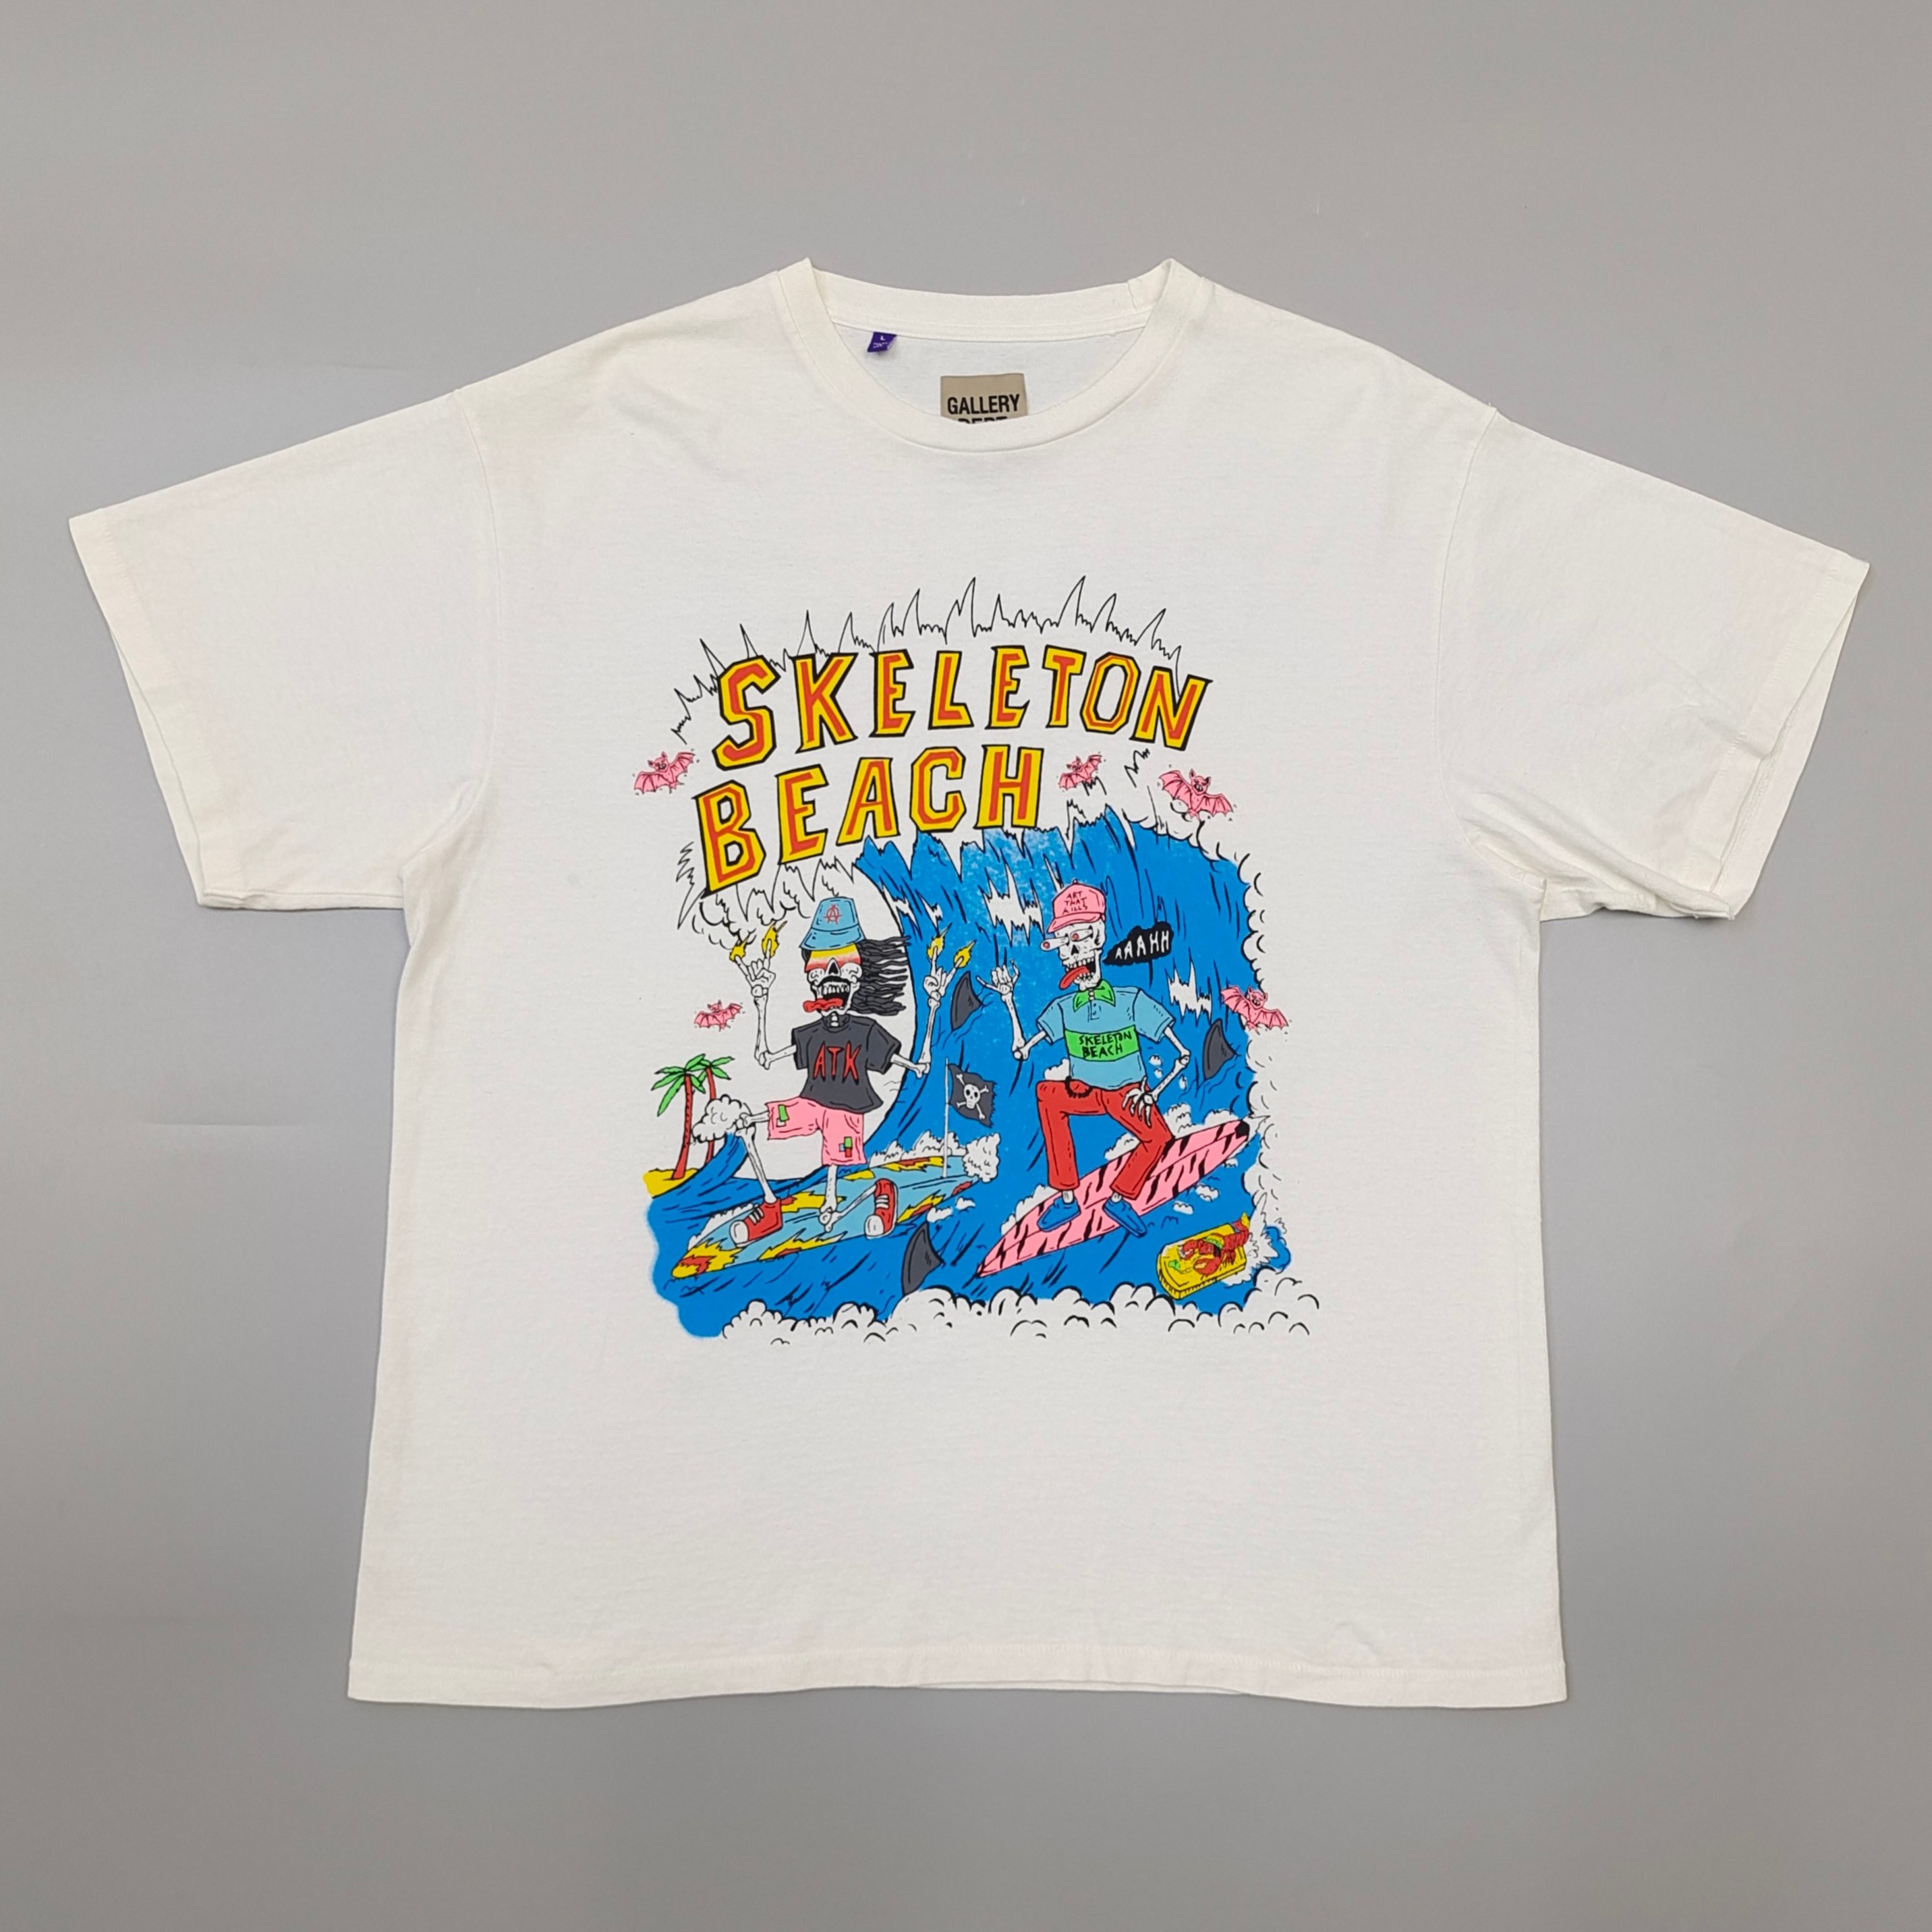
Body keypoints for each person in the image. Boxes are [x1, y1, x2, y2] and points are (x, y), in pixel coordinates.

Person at [989, 882, 1189, 1236]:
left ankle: (1120, 1199)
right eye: (1062, 944)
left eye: (1077, 939)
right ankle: (1067, 1198)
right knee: (1047, 1095)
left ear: (1098, 937)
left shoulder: (1129, 1000)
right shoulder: (1064, 1009)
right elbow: (1022, 1050)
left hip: (1126, 1093)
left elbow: (1182, 1054)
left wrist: (1154, 1093)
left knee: (1159, 1138)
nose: (1070, 953)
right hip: (1084, 1091)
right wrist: (1009, 1002)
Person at [739, 895, 944, 1237]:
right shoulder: (811, 1033)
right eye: (821, 971)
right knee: (752, 1127)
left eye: (843, 969)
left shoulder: (865, 1030)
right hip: (811, 1103)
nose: (831, 979)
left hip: (846, 1109)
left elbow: (914, 1065)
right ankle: (771, 1206)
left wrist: (932, 1011)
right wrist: (761, 1005)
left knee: (838, 1155)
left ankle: (870, 1194)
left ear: (856, 979)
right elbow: (767, 1058)